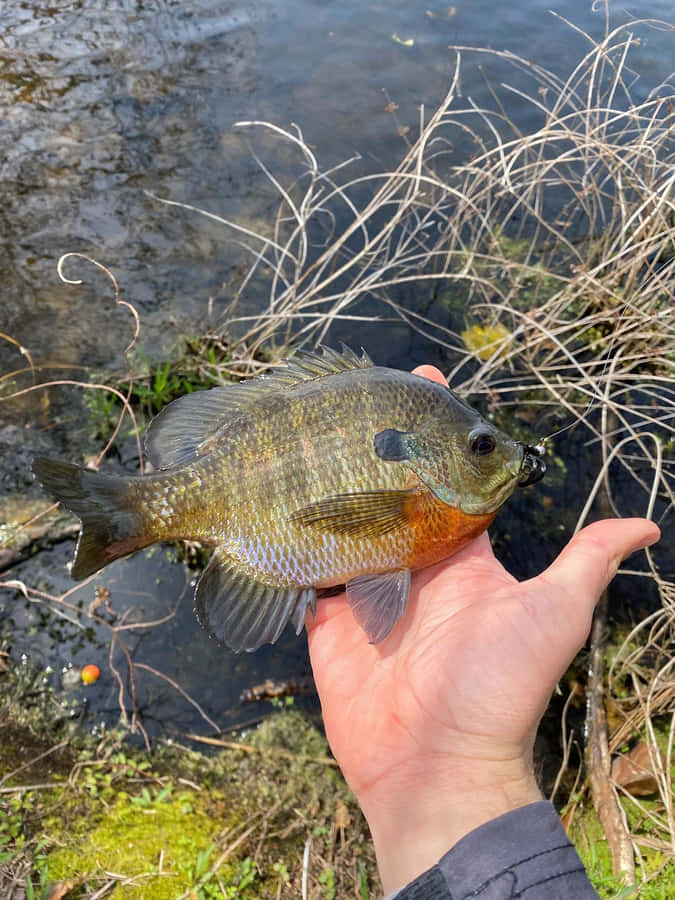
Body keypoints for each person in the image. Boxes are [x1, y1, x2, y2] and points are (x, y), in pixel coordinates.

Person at [305, 365, 661, 899]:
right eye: (480, 446)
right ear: (426, 452)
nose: (497, 454)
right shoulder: (419, 503)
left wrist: (452, 762)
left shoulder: (440, 504)